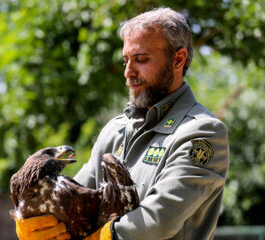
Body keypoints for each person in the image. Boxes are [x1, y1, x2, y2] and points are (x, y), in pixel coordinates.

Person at [14, 7, 229, 240]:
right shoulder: (115, 130)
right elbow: (73, 200)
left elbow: (160, 219)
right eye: (126, 60)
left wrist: (103, 237)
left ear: (178, 59)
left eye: (141, 59)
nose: (128, 72)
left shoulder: (202, 133)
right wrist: (33, 221)